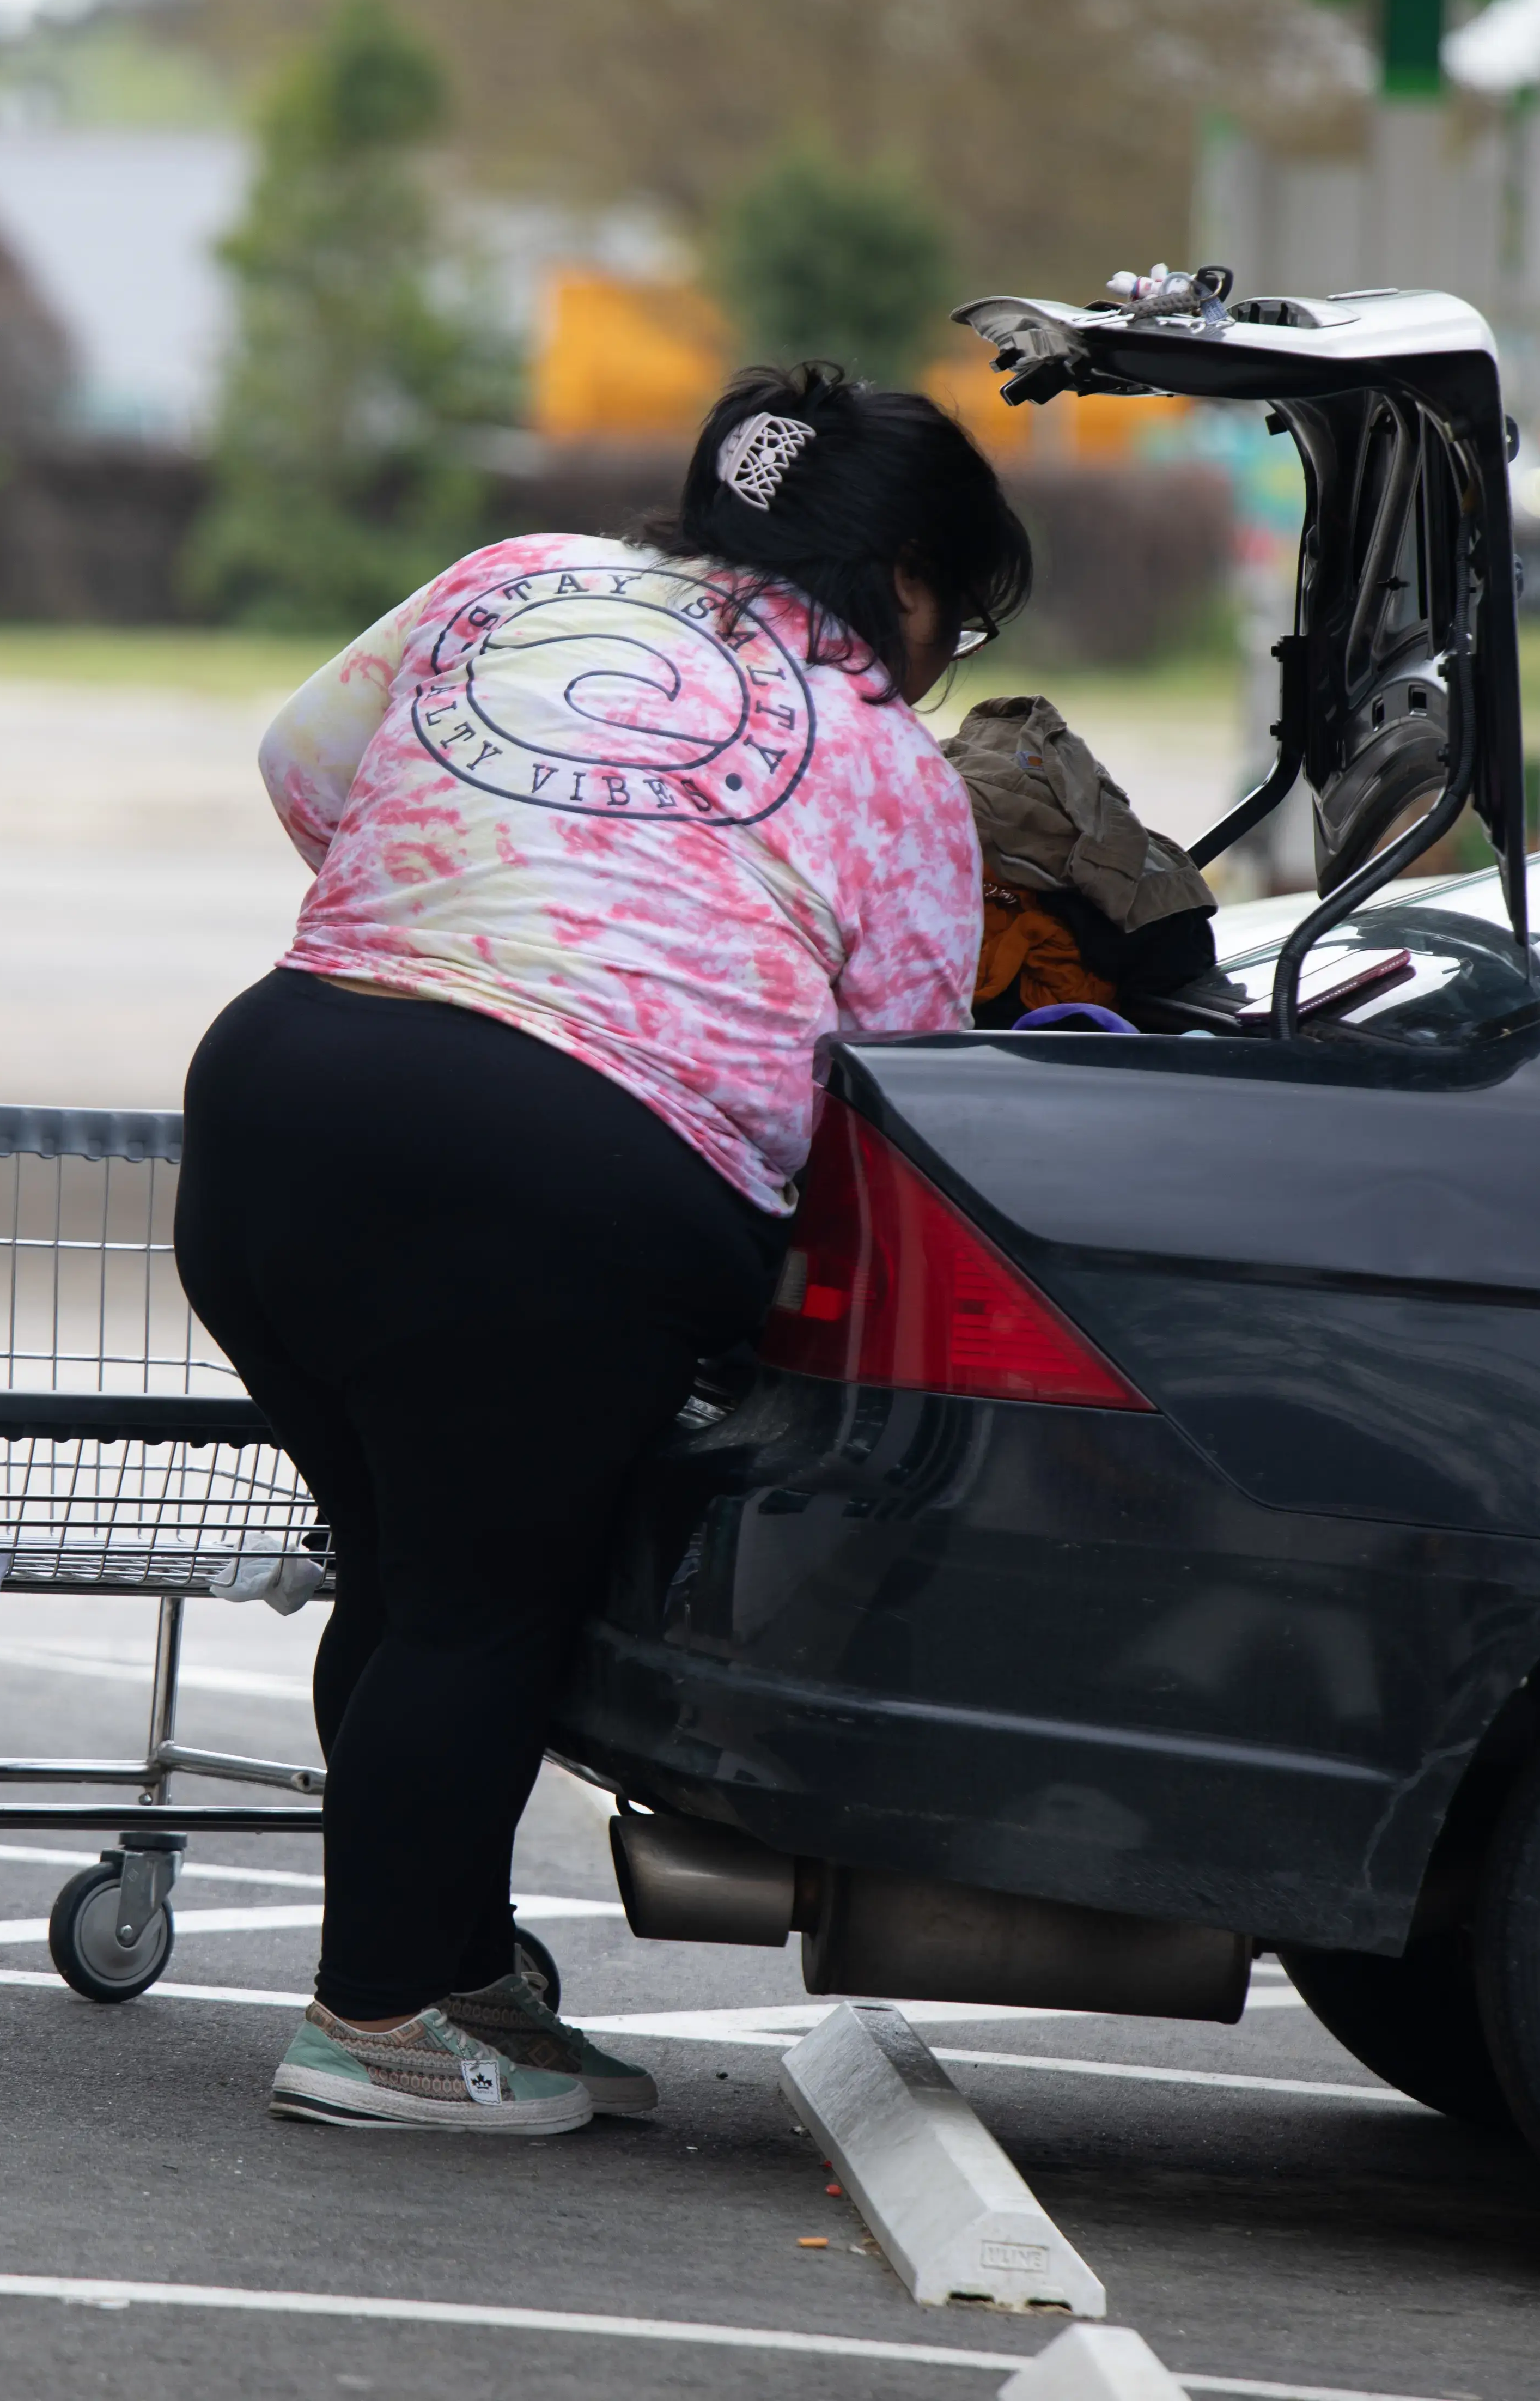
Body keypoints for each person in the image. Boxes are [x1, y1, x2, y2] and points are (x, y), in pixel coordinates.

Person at [172, 365, 1031, 2133]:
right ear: (914, 582)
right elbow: (906, 1078)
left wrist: (486, 899)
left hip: (278, 1101)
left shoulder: (512, 582)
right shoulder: (885, 766)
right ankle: (380, 2024)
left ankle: (448, 1969)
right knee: (483, 1613)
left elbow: (301, 767)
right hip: (552, 1178)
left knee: (415, 1584)